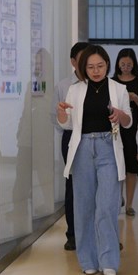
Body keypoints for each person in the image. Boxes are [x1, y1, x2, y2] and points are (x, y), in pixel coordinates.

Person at [57, 45, 133, 275]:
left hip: (108, 146)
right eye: (90, 67)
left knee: (107, 205)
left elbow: (128, 121)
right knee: (84, 206)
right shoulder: (75, 89)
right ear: (83, 68)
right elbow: (67, 124)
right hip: (82, 148)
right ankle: (88, 259)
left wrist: (120, 115)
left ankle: (109, 260)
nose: (96, 70)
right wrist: (62, 114)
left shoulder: (118, 88)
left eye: (100, 66)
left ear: (107, 65)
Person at [55, 42, 88, 251]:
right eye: (82, 59)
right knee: (73, 186)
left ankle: (98, 233)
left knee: (98, 187)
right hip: (71, 137)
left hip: (97, 137)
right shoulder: (64, 85)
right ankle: (73, 234)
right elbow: (57, 117)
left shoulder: (103, 83)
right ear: (73, 62)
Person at [112, 47, 138, 216]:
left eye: (129, 64)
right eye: (123, 64)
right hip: (116, 128)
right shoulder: (112, 81)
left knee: (131, 168)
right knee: (116, 166)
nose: (125, 67)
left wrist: (135, 98)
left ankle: (129, 204)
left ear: (134, 65)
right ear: (118, 64)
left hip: (133, 129)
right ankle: (118, 199)